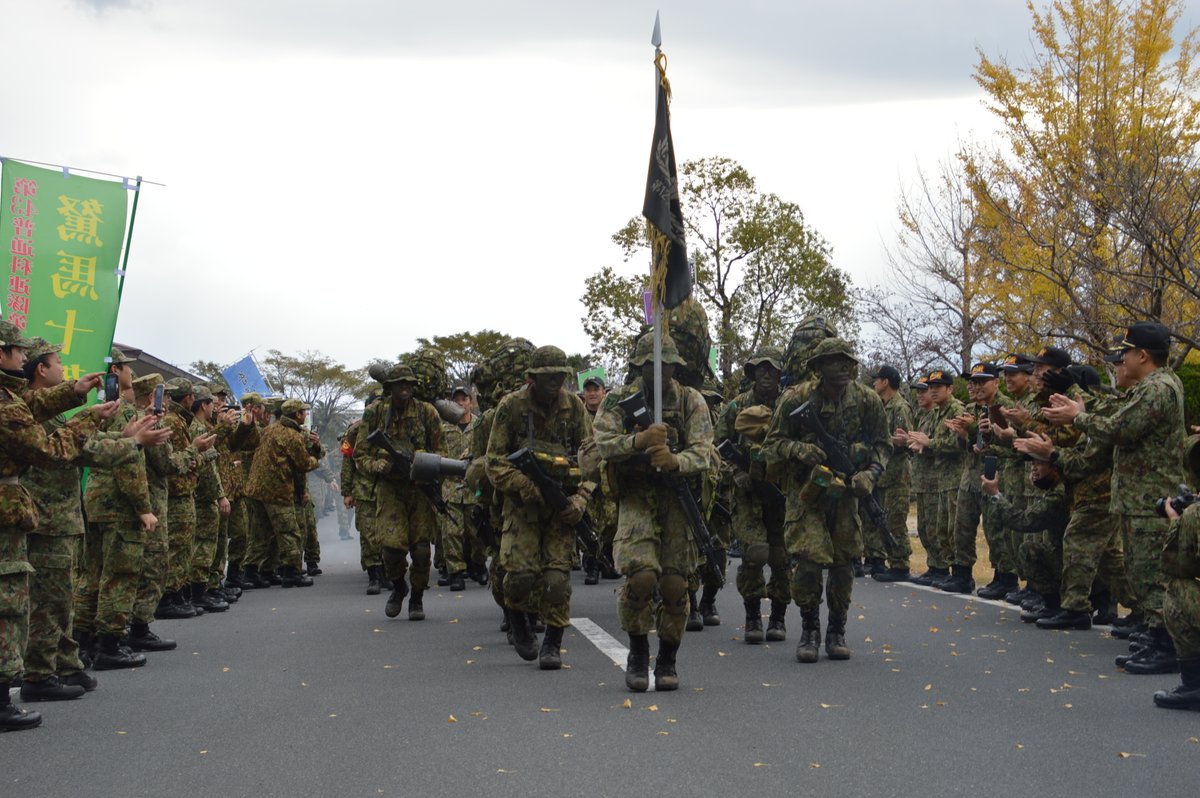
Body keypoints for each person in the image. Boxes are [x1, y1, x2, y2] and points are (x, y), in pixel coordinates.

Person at [0, 320, 123, 732]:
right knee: (13, 605)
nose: (20, 356)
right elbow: (52, 451)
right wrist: (87, 415)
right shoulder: (6, 402)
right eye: (16, 350)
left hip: (33, 518)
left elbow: (28, 410)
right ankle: (17, 688)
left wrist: (72, 393)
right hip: (23, 519)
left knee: (40, 602)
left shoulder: (10, 399)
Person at [1043, 322, 1186, 674]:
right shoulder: (1153, 386)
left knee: (1152, 573)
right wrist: (1082, 411)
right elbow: (1117, 415)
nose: (1120, 358)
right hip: (1138, 498)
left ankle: (1167, 644)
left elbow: (1121, 429)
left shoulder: (1159, 388)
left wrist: (1078, 417)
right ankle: (1155, 635)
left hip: (1150, 498)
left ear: (1142, 355)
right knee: (1139, 570)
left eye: (1125, 352)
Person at [593, 332, 715, 690]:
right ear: (639, 366)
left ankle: (667, 659)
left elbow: (705, 451)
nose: (661, 372)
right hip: (636, 496)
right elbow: (603, 443)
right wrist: (638, 442)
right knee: (642, 576)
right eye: (653, 366)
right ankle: (638, 650)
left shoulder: (691, 400)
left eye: (668, 366)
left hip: (677, 499)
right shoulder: (618, 399)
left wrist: (676, 460)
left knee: (676, 584)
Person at [763, 338, 888, 664]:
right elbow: (770, 446)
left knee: (844, 564)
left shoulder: (866, 400)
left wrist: (870, 475)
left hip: (846, 495)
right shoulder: (796, 398)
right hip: (808, 495)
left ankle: (836, 630)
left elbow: (883, 445)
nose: (843, 367)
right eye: (834, 361)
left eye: (847, 360)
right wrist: (798, 449)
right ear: (818, 367)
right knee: (808, 562)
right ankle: (810, 629)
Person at [485, 346, 592, 669]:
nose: (555, 382)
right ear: (532, 378)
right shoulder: (512, 407)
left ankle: (553, 644)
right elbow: (494, 462)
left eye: (560, 376)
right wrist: (526, 486)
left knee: (557, 580)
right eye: (548, 376)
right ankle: (518, 620)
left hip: (562, 508)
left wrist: (581, 499)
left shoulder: (574, 407)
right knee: (518, 577)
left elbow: (591, 460)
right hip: (522, 508)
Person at [354, 365, 442, 620]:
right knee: (391, 550)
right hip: (390, 489)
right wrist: (377, 465)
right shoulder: (376, 414)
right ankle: (399, 587)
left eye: (409, 383)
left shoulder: (427, 413)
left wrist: (428, 469)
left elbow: (443, 452)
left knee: (422, 551)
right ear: (389, 387)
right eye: (399, 383)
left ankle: (416, 596)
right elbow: (360, 454)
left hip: (420, 490)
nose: (405, 387)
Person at [716, 346, 788, 643]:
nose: (766, 374)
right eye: (761, 369)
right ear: (753, 373)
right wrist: (737, 472)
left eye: (771, 369)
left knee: (782, 558)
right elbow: (717, 446)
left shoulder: (789, 404)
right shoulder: (736, 407)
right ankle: (753, 616)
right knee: (755, 553)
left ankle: (779, 618)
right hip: (747, 494)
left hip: (781, 492)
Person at [244, 399, 323, 588]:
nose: (305, 415)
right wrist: (316, 459)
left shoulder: (270, 429)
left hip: (256, 489)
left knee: (261, 533)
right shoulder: (292, 435)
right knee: (290, 532)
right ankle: (291, 572)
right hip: (276, 490)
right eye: (303, 412)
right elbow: (303, 464)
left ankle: (255, 572)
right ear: (296, 415)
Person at [905, 369, 963, 587]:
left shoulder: (955, 410)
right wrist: (918, 442)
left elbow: (957, 444)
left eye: (936, 387)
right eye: (930, 388)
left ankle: (952, 571)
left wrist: (928, 443)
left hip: (950, 478)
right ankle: (937, 567)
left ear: (950, 389)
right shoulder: (938, 413)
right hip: (938, 478)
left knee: (950, 529)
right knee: (932, 528)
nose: (930, 392)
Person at [866, 365, 915, 582]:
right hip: (884, 474)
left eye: (877, 379)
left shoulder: (899, 407)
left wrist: (885, 441)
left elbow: (906, 441)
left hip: (897, 473)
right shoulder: (881, 406)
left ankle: (901, 565)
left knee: (895, 519)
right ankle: (891, 561)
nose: (874, 383)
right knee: (884, 519)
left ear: (886, 382)